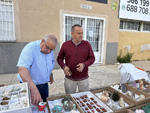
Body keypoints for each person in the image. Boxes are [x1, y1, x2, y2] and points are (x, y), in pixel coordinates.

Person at [17, 34, 57, 105]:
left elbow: (48, 64)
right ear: (42, 41)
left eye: (52, 49)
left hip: (44, 85)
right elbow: (22, 69)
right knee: (32, 107)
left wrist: (50, 74)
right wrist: (33, 89)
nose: (49, 52)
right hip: (31, 85)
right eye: (47, 48)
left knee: (44, 106)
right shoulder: (30, 48)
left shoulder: (48, 50)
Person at [57, 24, 95, 94]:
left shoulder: (87, 44)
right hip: (70, 78)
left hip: (84, 78)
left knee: (84, 98)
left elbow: (92, 58)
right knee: (70, 99)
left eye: (82, 33)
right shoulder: (65, 45)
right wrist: (64, 67)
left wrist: (84, 64)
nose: (81, 35)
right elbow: (59, 58)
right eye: (78, 33)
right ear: (72, 34)